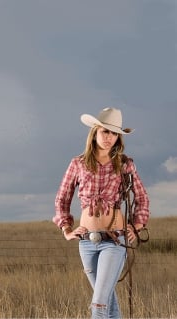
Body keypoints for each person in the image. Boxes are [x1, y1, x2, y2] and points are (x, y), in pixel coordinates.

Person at [53, 107, 150, 319]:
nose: (109, 137)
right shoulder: (77, 163)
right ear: (95, 132)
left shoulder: (125, 164)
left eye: (114, 133)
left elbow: (142, 198)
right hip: (86, 242)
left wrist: (136, 225)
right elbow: (62, 198)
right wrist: (66, 229)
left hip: (114, 241)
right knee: (108, 303)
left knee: (98, 304)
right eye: (105, 131)